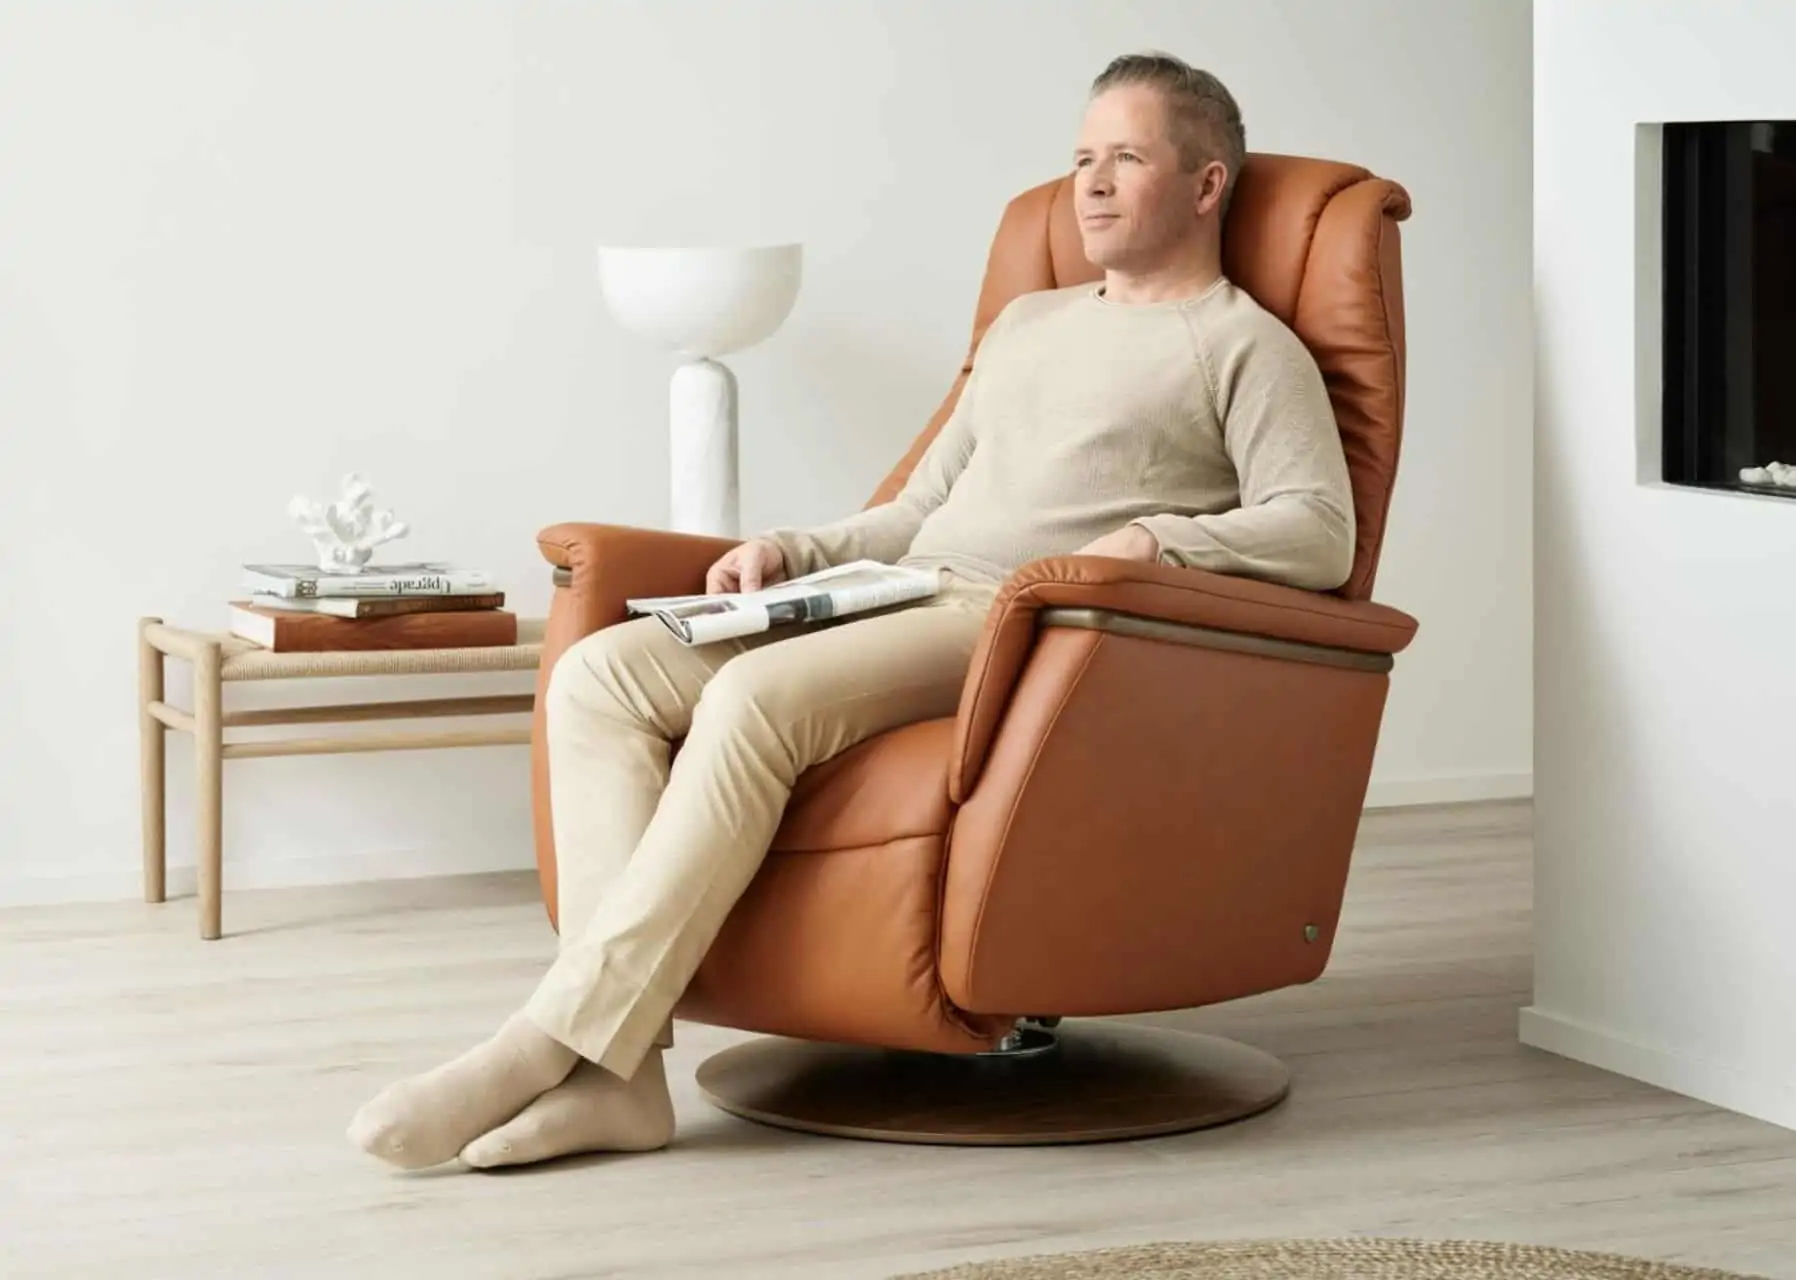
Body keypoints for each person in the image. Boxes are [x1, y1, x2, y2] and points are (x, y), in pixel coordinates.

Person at [347, 49, 1357, 1172]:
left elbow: (1320, 529)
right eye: (1081, 157)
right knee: (604, 676)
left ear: (1208, 184)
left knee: (754, 698)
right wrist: (790, 550)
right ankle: (621, 1083)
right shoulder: (1027, 324)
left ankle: (543, 1037)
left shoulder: (1243, 345)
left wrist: (1154, 541)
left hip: (1029, 624)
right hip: (907, 587)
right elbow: (921, 504)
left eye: (1126, 157)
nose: (1092, 183)